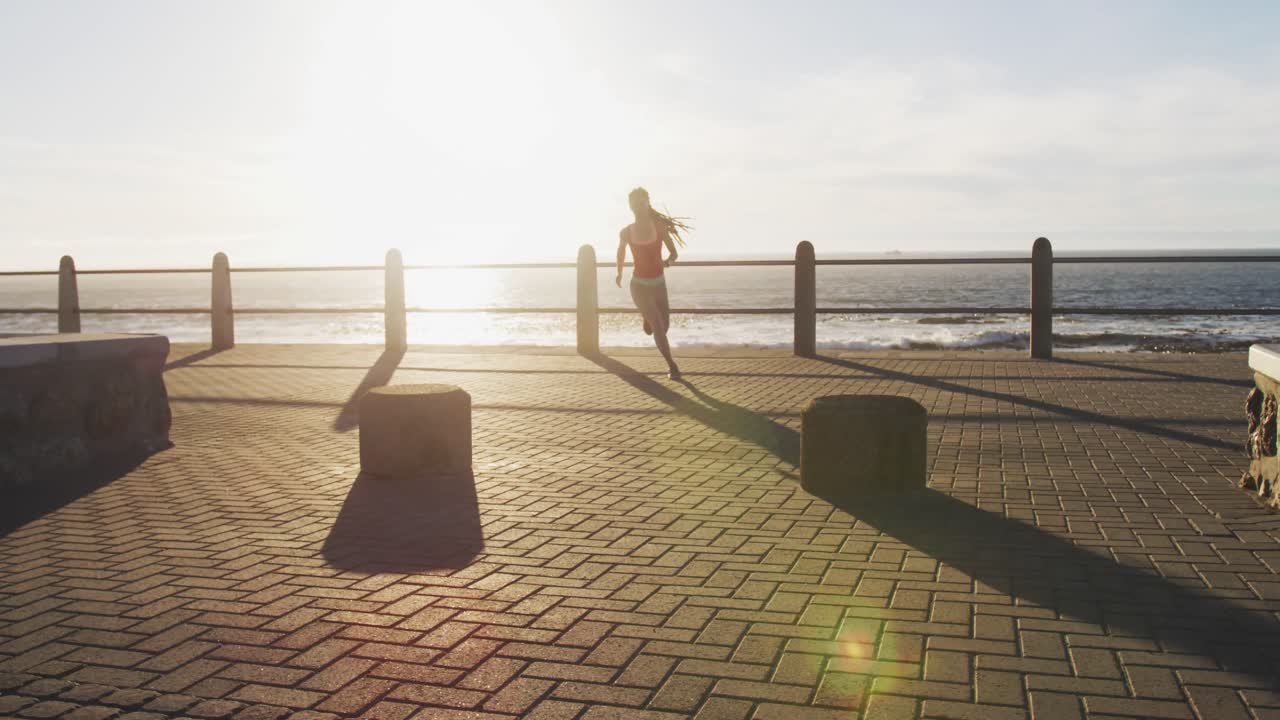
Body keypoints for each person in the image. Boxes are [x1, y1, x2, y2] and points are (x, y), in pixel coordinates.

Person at [615, 187, 690, 380]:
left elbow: (674, 253)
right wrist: (619, 272)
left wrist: (668, 262)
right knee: (657, 326)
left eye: (641, 203)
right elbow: (621, 252)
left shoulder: (659, 227)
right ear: (630, 207)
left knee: (664, 326)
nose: (638, 207)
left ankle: (647, 317)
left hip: (659, 284)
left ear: (648, 203)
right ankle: (672, 366)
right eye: (634, 205)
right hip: (639, 285)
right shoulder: (626, 232)